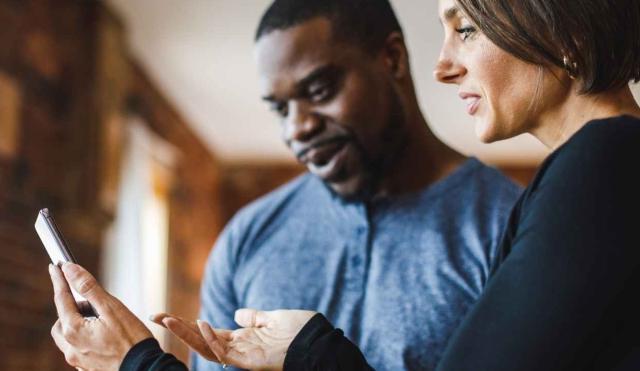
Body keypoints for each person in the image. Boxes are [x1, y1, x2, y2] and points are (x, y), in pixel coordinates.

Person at [46, 0, 526, 370]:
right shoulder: (247, 238)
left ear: (392, 58)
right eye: (280, 109)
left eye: (319, 91)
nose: (297, 127)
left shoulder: (512, 226)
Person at [179, 0, 639, 369]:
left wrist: (310, 352)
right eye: (280, 109)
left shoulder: (604, 165)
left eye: (466, 30)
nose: (442, 66)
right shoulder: (245, 237)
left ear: (563, 32)